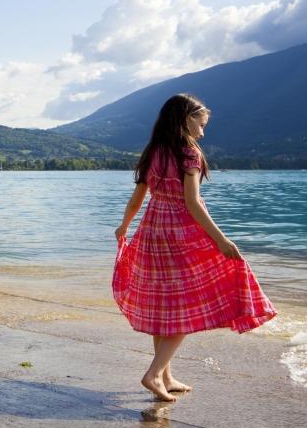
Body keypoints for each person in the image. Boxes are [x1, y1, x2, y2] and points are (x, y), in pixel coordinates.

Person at [113, 93, 276, 402]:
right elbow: (193, 202)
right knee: (184, 308)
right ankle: (152, 374)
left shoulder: (154, 152)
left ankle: (166, 375)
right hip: (180, 233)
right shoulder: (188, 153)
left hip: (151, 231)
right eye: (201, 125)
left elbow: (138, 198)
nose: (203, 132)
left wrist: (125, 225)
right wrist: (221, 239)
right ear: (186, 120)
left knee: (165, 304)